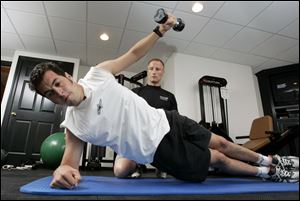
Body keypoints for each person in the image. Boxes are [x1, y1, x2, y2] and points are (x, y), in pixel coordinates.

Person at [29, 13, 299, 189]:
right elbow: (69, 162)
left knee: (221, 142)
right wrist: (61, 172)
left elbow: (134, 53)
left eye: (57, 83)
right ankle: (269, 174)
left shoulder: (97, 74)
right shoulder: (74, 125)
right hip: (156, 150)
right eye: (50, 93)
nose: (59, 93)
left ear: (66, 76)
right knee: (217, 159)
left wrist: (160, 31)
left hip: (166, 119)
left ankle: (268, 160)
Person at [114, 58, 178, 179]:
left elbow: (174, 122)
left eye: (157, 69)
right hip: (136, 140)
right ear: (147, 71)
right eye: (151, 69)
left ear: (163, 72)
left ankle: (162, 165)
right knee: (120, 170)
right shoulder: (135, 92)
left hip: (160, 140)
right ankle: (136, 166)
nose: (154, 72)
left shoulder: (169, 96)